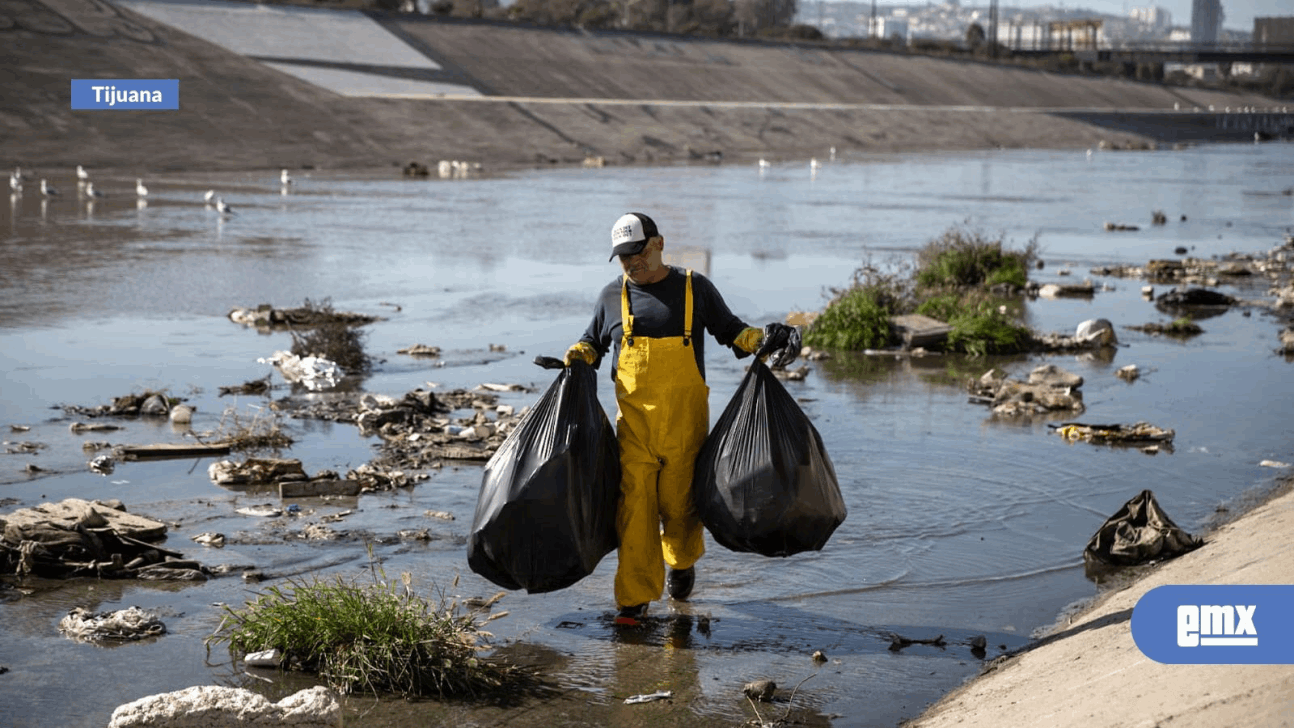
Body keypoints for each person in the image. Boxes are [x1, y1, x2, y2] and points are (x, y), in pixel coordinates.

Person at [564, 212, 796, 626]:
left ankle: (682, 563)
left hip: (686, 430)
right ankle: (633, 603)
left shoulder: (695, 289)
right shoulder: (610, 297)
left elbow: (733, 332)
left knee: (680, 508)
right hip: (634, 431)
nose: (631, 264)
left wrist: (764, 338)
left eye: (637, 253)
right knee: (634, 510)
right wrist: (579, 354)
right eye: (622, 258)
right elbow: (591, 343)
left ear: (658, 244)